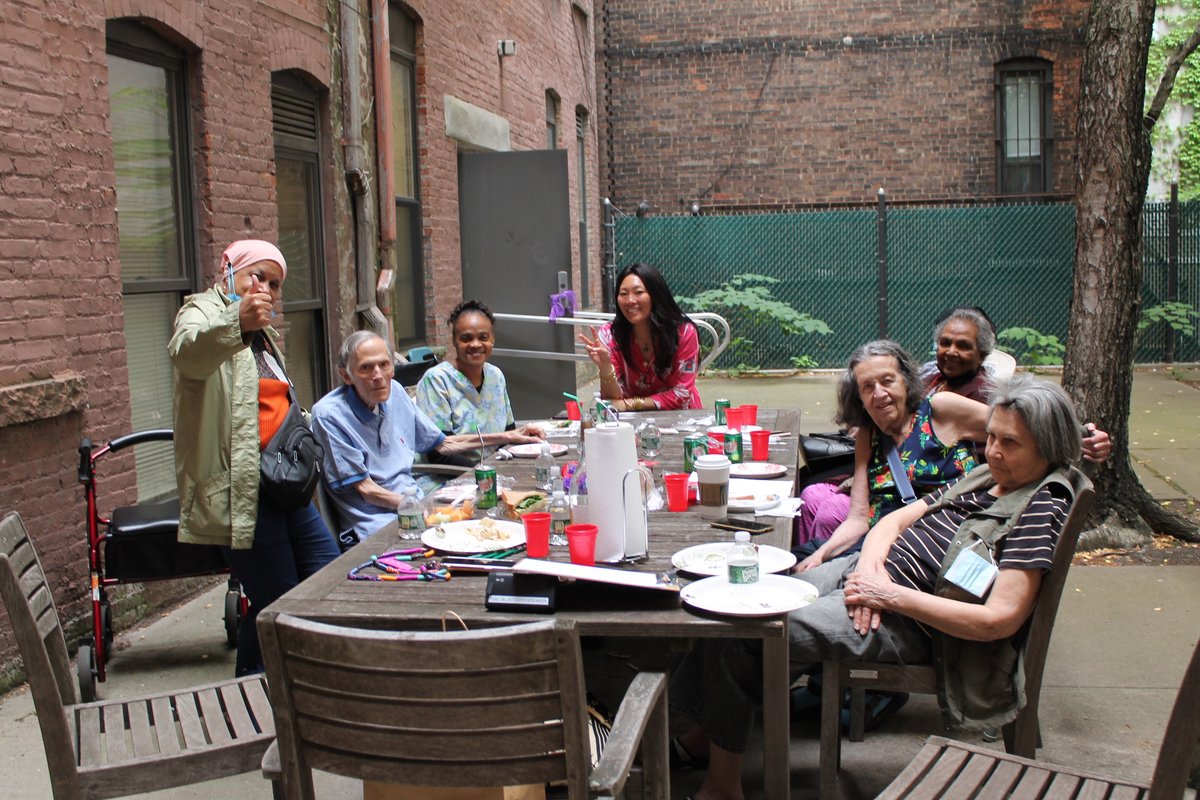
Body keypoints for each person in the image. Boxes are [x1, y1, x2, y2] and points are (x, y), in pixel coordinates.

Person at [670, 374, 1085, 800]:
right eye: (991, 437)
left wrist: (888, 596)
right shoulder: (986, 475)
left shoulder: (1040, 507)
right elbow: (893, 520)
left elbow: (998, 620)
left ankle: (721, 786)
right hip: (873, 574)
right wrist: (870, 571)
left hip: (909, 621)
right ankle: (710, 737)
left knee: (751, 629)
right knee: (729, 602)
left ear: (1048, 446)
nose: (994, 451)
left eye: (1010, 443)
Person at [169, 239, 339, 677]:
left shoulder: (263, 334)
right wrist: (235, 322)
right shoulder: (203, 312)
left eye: (275, 283)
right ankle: (263, 703)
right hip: (241, 488)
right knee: (280, 601)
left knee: (321, 573)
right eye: (256, 276)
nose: (265, 288)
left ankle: (253, 686)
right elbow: (187, 353)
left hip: (283, 483)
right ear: (229, 269)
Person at [795, 340, 1110, 559]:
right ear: (859, 397)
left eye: (887, 381)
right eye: (868, 387)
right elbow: (858, 519)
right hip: (878, 541)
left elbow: (1019, 422)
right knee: (798, 562)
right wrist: (822, 554)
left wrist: (1085, 436)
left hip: (938, 541)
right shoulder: (868, 435)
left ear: (906, 381)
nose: (880, 393)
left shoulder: (940, 410)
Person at [311, 330, 483, 538]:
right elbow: (367, 490)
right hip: (378, 528)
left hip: (416, 509)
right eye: (366, 368)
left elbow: (442, 443)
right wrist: (424, 509)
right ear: (346, 375)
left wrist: (512, 436)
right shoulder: (329, 415)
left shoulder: (396, 392)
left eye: (384, 365)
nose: (378, 376)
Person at [415, 299, 545, 465]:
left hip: (495, 469)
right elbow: (438, 453)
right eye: (466, 338)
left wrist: (528, 438)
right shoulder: (436, 381)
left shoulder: (495, 376)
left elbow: (509, 433)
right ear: (454, 340)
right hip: (450, 477)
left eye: (483, 337)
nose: (475, 344)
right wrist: (484, 474)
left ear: (492, 340)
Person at [579, 262, 701, 411]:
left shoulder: (684, 332)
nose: (630, 300)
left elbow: (682, 394)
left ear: (655, 295)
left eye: (638, 292)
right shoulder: (609, 336)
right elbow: (612, 401)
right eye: (623, 294)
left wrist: (631, 403)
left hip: (682, 421)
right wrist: (604, 366)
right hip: (631, 423)